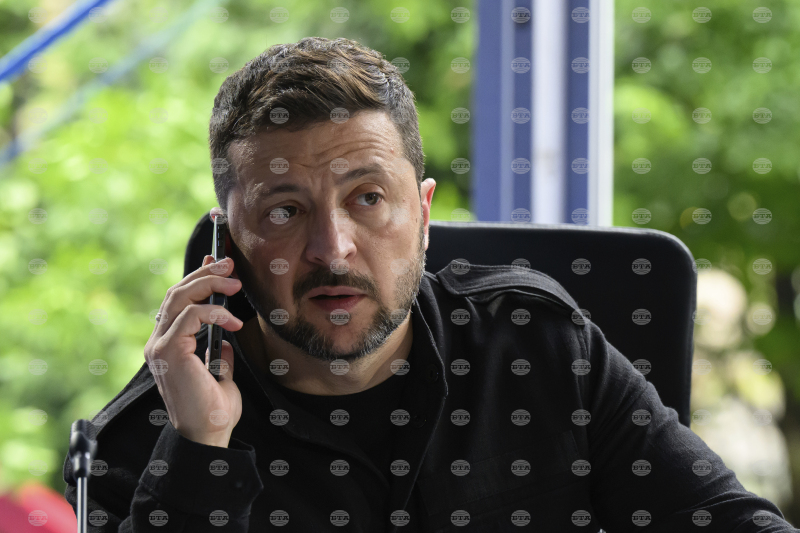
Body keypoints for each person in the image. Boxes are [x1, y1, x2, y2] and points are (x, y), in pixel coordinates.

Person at [64, 36, 796, 532]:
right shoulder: (142, 439)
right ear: (228, 240)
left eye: (367, 197)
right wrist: (201, 449)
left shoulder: (540, 349)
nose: (332, 248)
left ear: (421, 215)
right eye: (285, 210)